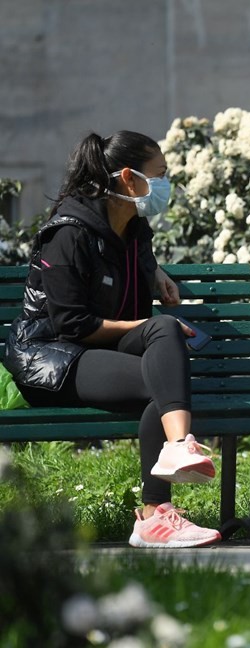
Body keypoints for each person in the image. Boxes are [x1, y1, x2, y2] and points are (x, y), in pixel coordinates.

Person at [2, 131, 221, 548]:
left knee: (164, 331)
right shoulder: (67, 234)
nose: (165, 184)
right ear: (128, 177)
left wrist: (155, 275)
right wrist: (142, 323)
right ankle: (157, 514)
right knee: (161, 376)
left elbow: (136, 265)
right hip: (52, 358)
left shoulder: (134, 229)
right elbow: (72, 325)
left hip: (96, 350)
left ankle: (174, 458)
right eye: (159, 175)